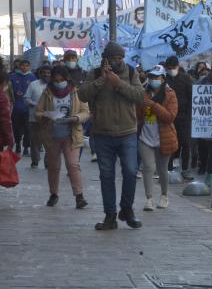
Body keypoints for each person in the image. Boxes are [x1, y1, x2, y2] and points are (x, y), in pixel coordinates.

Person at [78, 42, 145, 230]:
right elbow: (82, 95)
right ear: (105, 58)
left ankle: (127, 209)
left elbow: (140, 96)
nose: (117, 61)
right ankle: (110, 215)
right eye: (113, 58)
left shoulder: (131, 73)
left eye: (120, 58)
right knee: (107, 176)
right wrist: (102, 81)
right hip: (102, 134)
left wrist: (119, 83)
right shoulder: (95, 73)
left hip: (127, 133)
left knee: (131, 172)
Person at [36, 66, 90, 208]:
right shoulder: (47, 92)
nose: (58, 83)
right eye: (56, 80)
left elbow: (86, 112)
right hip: (52, 134)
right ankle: (54, 194)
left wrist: (75, 118)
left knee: (73, 165)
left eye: (61, 80)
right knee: (53, 166)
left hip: (71, 134)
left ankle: (79, 196)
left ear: (67, 79)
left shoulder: (76, 92)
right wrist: (46, 116)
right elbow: (38, 112)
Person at [136, 65, 178, 211]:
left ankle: (164, 195)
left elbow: (170, 117)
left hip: (164, 137)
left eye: (157, 77)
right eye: (152, 77)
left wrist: (154, 106)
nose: (154, 80)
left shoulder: (170, 94)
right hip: (145, 137)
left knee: (161, 169)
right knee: (148, 167)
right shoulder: (144, 93)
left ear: (163, 78)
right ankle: (149, 199)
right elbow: (139, 114)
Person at [164, 56, 194, 180]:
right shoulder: (164, 80)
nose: (172, 70)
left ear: (178, 66)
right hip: (168, 117)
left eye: (173, 67)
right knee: (170, 143)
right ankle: (168, 169)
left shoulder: (186, 79)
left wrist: (190, 114)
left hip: (184, 116)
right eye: (169, 68)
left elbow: (192, 96)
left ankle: (185, 169)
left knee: (185, 143)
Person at [23, 65, 50, 167]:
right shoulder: (33, 85)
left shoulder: (54, 85)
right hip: (35, 118)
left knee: (49, 142)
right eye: (44, 73)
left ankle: (48, 162)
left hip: (50, 119)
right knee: (35, 141)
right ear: (40, 74)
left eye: (48, 73)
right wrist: (35, 104)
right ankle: (35, 161)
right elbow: (26, 98)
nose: (46, 75)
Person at [10, 59, 36, 155]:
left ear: (29, 67)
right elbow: (8, 91)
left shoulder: (33, 77)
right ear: (19, 66)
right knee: (16, 128)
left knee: (27, 128)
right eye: (22, 65)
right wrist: (14, 94)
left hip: (28, 108)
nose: (24, 67)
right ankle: (17, 144)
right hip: (16, 107)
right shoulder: (13, 76)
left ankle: (26, 147)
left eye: (26, 65)